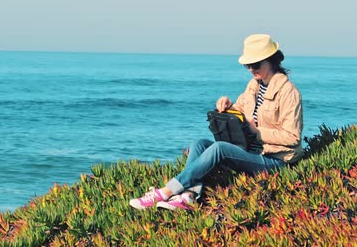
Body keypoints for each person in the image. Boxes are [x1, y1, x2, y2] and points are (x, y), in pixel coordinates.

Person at [129, 34, 303, 210]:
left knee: (219, 148)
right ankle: (188, 196)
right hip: (252, 150)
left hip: (275, 160)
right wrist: (228, 105)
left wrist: (256, 131)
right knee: (199, 144)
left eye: (255, 64)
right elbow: (240, 112)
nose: (251, 69)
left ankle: (166, 192)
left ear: (271, 60)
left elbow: (293, 137)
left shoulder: (288, 92)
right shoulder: (254, 85)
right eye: (247, 65)